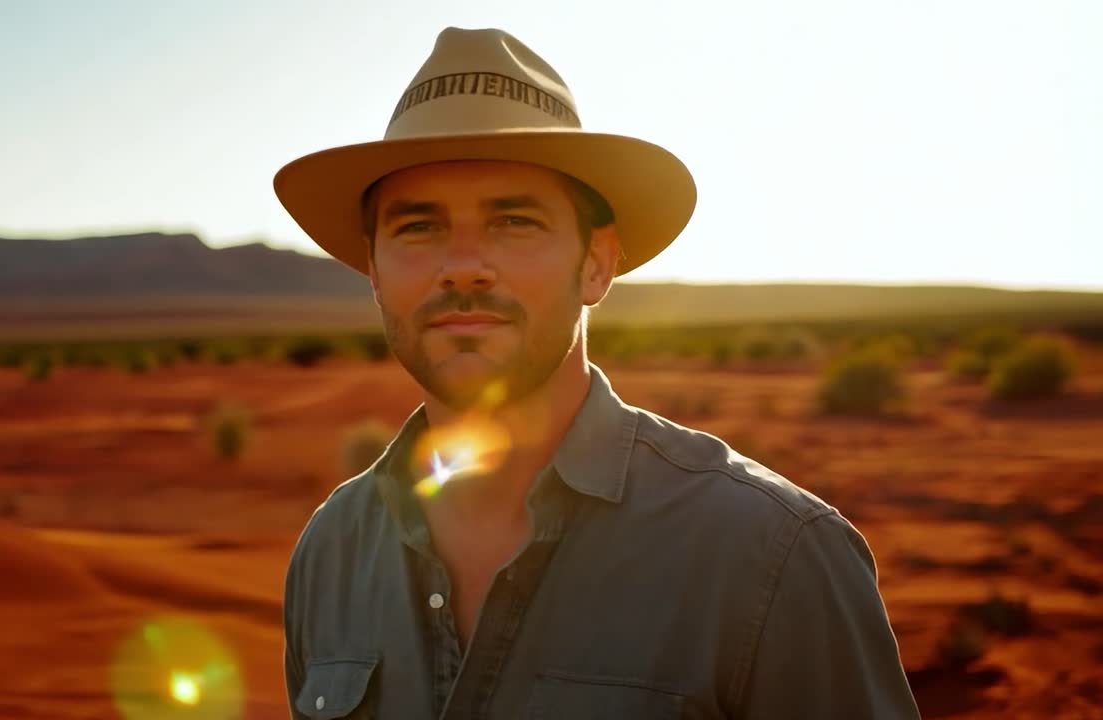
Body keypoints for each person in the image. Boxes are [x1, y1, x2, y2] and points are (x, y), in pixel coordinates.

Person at [273, 26, 920, 719]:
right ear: (373, 271)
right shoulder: (331, 552)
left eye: (514, 221)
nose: (462, 264)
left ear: (596, 264)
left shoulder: (772, 558)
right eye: (418, 227)